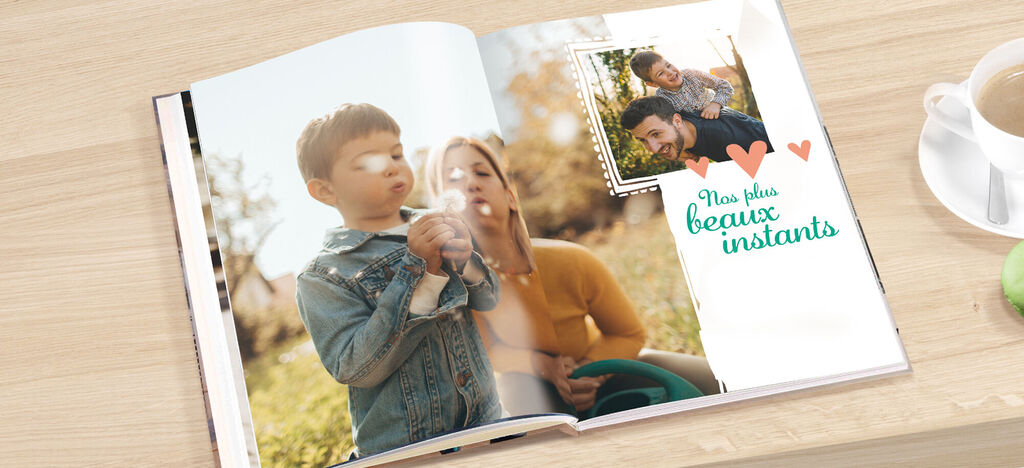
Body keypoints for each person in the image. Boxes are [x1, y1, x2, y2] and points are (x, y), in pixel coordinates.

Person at [426, 136, 720, 416]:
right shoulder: (456, 288)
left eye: (482, 173)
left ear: (511, 197)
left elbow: (628, 334)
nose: (471, 183)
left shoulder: (571, 261)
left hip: (605, 368)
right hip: (527, 383)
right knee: (513, 398)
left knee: (715, 376)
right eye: (453, 179)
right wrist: (542, 365)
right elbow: (489, 350)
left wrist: (589, 372)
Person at [293, 104, 502, 456]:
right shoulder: (323, 275)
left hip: (485, 423)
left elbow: (489, 298)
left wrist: (466, 262)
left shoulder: (439, 222)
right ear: (326, 191)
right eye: (368, 162)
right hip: (406, 449)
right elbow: (356, 368)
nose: (391, 166)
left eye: (396, 153)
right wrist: (417, 272)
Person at [621, 95, 774, 163]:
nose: (653, 149)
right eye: (643, 140)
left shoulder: (727, 139)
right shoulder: (681, 125)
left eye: (656, 134)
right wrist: (676, 149)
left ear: (677, 121)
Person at [630, 50, 734, 119]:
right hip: (699, 130)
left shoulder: (691, 75)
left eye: (668, 65)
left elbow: (724, 86)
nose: (670, 72)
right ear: (653, 83)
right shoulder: (662, 99)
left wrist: (715, 104)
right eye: (661, 73)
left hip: (722, 114)